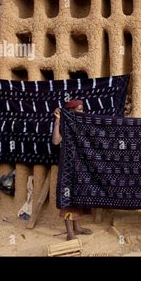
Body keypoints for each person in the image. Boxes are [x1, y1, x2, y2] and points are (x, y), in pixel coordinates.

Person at [52, 99, 93, 241]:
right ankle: (70, 233)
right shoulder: (65, 124)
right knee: (67, 198)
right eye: (79, 109)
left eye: (82, 109)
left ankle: (78, 227)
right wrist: (57, 121)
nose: (82, 112)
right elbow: (56, 141)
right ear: (71, 111)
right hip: (68, 168)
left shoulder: (82, 124)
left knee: (78, 196)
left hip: (81, 166)